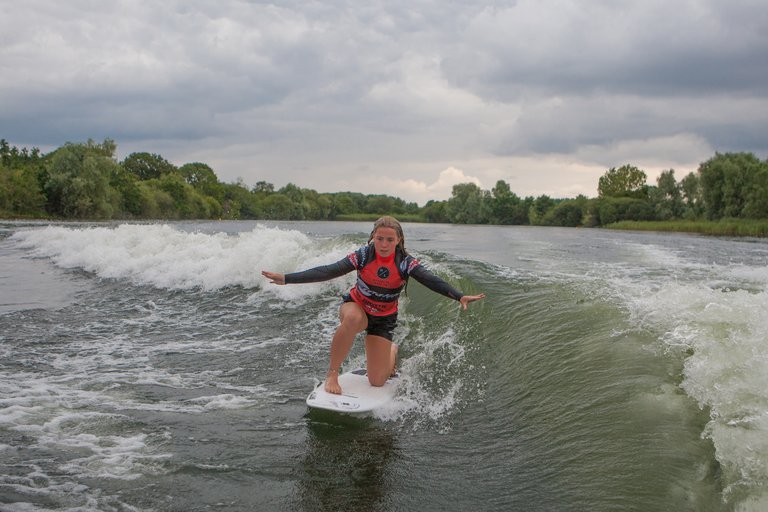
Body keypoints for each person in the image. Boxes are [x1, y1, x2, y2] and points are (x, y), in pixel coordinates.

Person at [261, 216, 485, 394]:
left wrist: (458, 296)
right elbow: (328, 270)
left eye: (389, 239)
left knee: (377, 382)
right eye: (379, 238)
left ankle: (392, 350)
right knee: (352, 319)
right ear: (373, 238)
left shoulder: (405, 263)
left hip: (384, 319)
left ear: (398, 240)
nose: (384, 244)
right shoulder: (363, 255)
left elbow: (430, 279)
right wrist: (288, 278)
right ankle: (332, 373)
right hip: (357, 306)